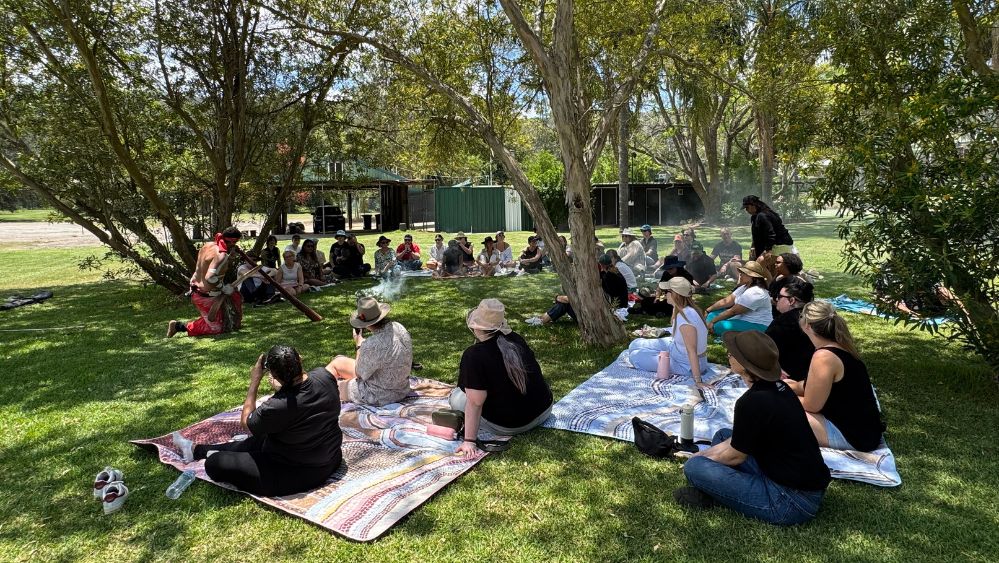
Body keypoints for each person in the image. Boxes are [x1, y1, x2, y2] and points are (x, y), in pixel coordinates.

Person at [674, 331, 831, 525]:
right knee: (723, 434)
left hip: (788, 501)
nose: (728, 355)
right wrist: (706, 456)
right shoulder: (779, 388)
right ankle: (718, 489)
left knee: (694, 468)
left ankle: (715, 492)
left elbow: (735, 455)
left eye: (732, 354)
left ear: (745, 364)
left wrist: (699, 459)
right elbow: (735, 444)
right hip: (799, 482)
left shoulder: (752, 402)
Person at [172, 346, 343, 496]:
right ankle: (196, 450)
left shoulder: (276, 407)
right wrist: (282, 387)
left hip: (297, 472)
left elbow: (246, 422)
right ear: (299, 359)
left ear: (274, 375)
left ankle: (205, 454)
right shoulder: (325, 377)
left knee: (215, 464)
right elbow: (302, 396)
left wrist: (255, 380)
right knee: (259, 439)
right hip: (331, 458)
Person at [451, 299, 554, 455]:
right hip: (544, 411)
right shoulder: (516, 339)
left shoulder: (473, 356)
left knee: (456, 397)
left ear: (475, 326)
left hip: (511, 424)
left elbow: (475, 402)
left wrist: (469, 441)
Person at [784, 302, 883, 452]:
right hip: (866, 433)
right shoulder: (841, 348)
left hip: (853, 436)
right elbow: (807, 386)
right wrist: (783, 385)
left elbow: (811, 405)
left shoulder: (823, 357)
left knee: (775, 408)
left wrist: (778, 394)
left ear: (808, 325)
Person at [625, 278, 710, 388]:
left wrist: (698, 381)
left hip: (686, 363)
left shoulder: (686, 319)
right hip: (675, 347)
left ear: (675, 294)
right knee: (634, 344)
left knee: (635, 357)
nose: (664, 294)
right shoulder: (682, 309)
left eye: (667, 292)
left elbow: (691, 351)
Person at [327, 297, 413, 406]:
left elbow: (359, 373)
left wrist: (359, 345)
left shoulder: (371, 345)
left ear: (365, 324)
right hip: (401, 388)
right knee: (338, 361)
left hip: (379, 395)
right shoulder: (399, 327)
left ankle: (312, 391)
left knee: (331, 388)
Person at [167, 227, 243, 338]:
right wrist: (223, 288)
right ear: (233, 242)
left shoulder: (208, 245)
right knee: (216, 328)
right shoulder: (221, 255)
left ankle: (232, 322)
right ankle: (179, 326)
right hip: (205, 295)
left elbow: (208, 265)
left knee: (235, 299)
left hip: (196, 289)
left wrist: (229, 258)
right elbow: (210, 277)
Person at [535, 254, 627, 324]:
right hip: (608, 308)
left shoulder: (609, 278)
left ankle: (541, 320)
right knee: (564, 303)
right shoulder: (613, 273)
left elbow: (585, 299)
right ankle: (541, 319)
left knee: (564, 304)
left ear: (601, 265)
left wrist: (558, 298)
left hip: (602, 314)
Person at [765, 278, 815, 381]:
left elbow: (764, 350)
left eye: (779, 296)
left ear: (791, 300)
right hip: (812, 375)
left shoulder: (783, 322)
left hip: (786, 377)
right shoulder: (816, 318)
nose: (776, 299)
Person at [705, 260, 773, 335]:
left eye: (743, 273)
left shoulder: (756, 292)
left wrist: (712, 321)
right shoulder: (744, 287)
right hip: (741, 318)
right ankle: (711, 328)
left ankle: (713, 328)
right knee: (711, 314)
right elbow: (727, 301)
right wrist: (708, 310)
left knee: (719, 325)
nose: (740, 274)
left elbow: (733, 311)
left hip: (757, 324)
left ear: (752, 277)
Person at [743, 195, 794, 264]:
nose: (746, 210)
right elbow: (756, 235)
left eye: (747, 207)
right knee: (762, 267)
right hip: (775, 245)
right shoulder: (756, 216)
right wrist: (753, 246)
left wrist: (768, 250)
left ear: (753, 205)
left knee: (762, 266)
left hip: (779, 245)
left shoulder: (763, 215)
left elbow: (771, 234)